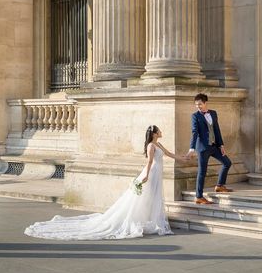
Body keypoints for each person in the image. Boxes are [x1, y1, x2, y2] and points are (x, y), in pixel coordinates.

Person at [25, 125, 183, 240]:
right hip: (152, 173)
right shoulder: (150, 146)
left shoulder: (159, 144)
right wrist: (146, 176)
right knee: (146, 197)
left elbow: (169, 154)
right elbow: (149, 162)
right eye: (159, 130)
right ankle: (147, 221)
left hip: (156, 174)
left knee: (153, 197)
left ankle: (153, 220)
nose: (161, 132)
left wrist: (184, 158)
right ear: (155, 133)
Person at [187, 93, 232, 205]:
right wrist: (192, 148)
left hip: (214, 146)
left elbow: (217, 130)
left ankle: (220, 185)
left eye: (200, 104)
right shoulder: (195, 116)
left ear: (205, 103)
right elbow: (194, 132)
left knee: (227, 162)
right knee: (202, 172)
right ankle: (199, 197)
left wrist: (221, 145)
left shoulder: (213, 113)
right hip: (202, 148)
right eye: (196, 105)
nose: (198, 106)